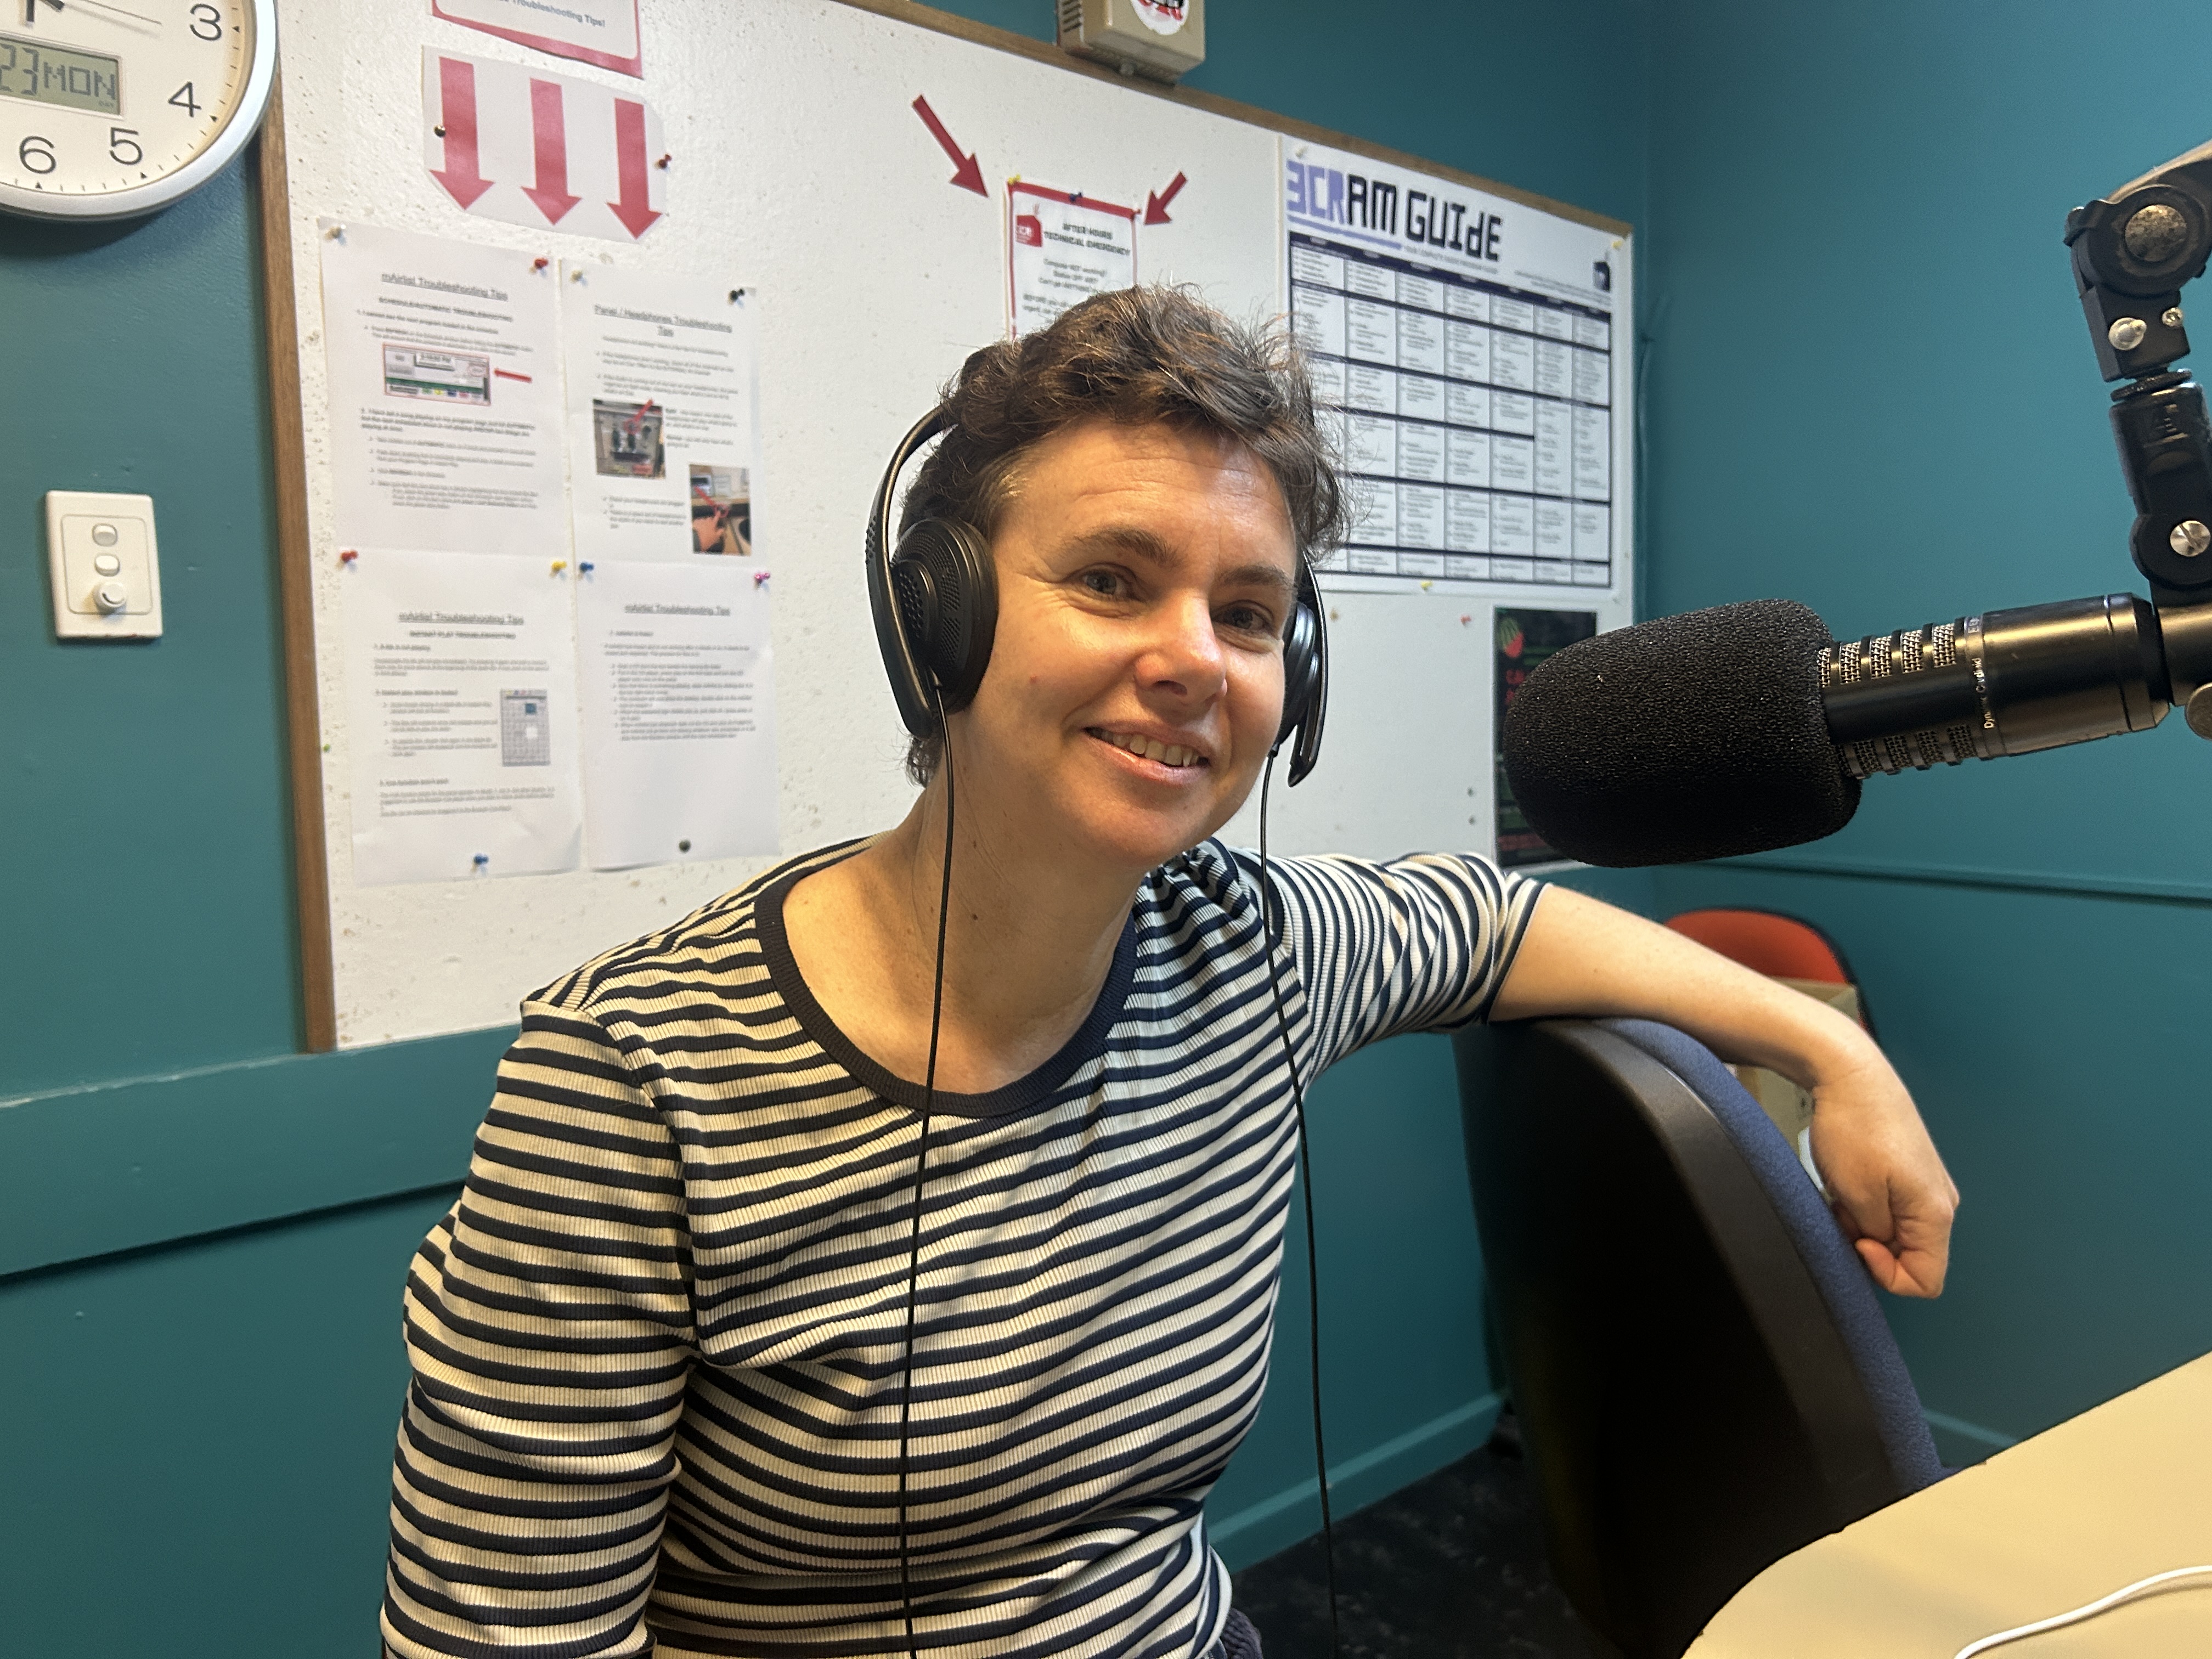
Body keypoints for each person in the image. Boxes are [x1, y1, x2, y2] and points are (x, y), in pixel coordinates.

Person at [380, 287, 1956, 1659]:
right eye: (1113, 579)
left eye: (1250, 612)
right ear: (941, 615)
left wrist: (1836, 1058)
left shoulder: (1252, 946)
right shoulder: (633, 1076)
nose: (1197, 655)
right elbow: (504, 1635)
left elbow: (1498, 921)